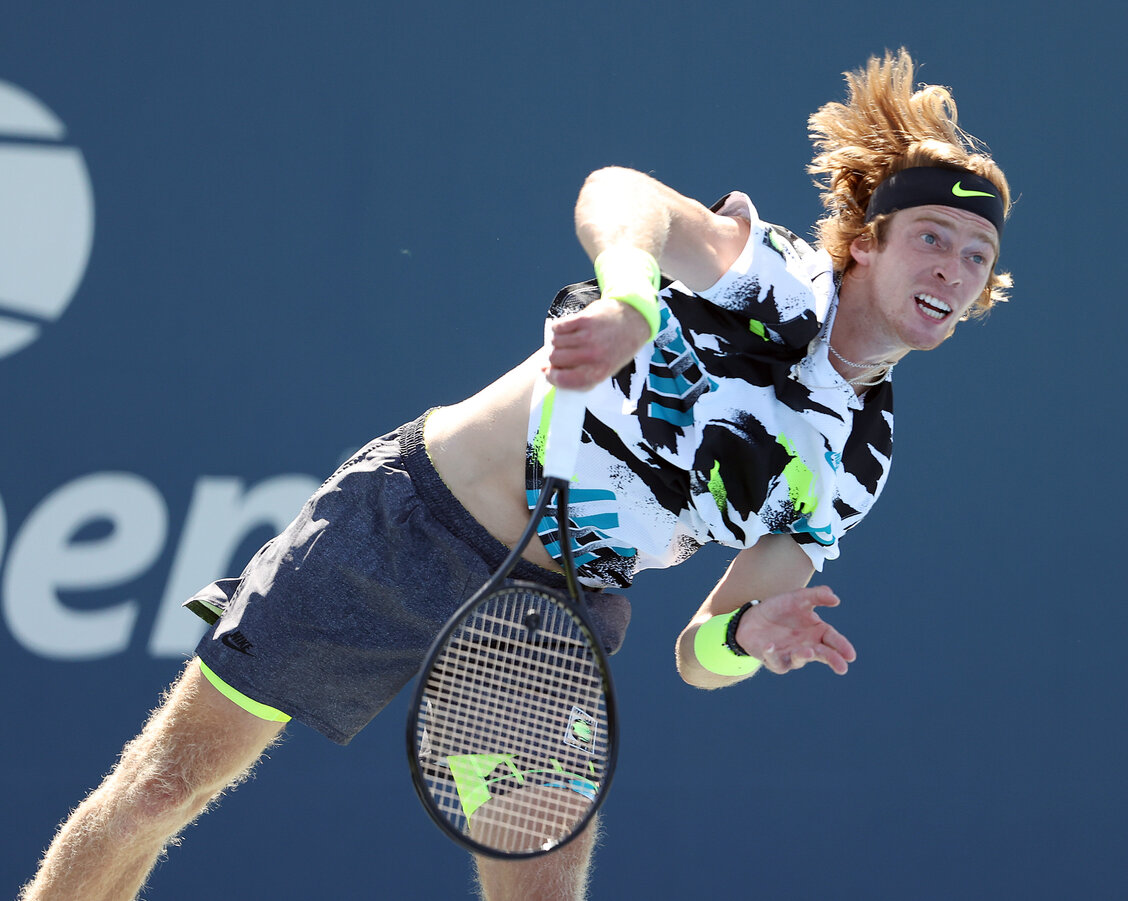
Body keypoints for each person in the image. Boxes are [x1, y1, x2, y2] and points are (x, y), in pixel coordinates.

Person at [19, 48, 1012, 901]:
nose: (953, 271)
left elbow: (699, 656)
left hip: (553, 618)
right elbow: (621, 194)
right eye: (933, 238)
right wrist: (632, 301)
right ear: (871, 241)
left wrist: (747, 637)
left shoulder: (854, 464)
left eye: (976, 257)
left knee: (540, 883)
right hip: (413, 519)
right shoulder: (774, 279)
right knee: (159, 789)